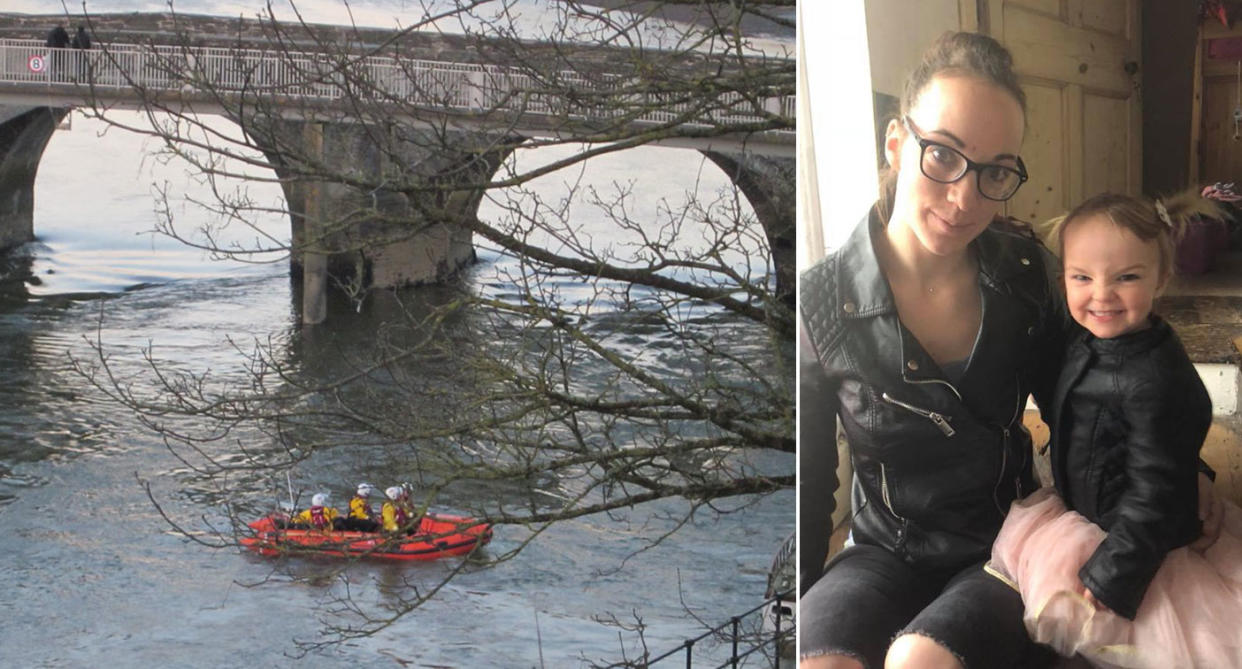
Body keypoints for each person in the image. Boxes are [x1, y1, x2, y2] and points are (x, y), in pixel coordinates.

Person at [798, 32, 1221, 669]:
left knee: (918, 661)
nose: (966, 197)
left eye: (995, 169)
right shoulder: (819, 302)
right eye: (943, 154)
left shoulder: (1024, 275)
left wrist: (1170, 480)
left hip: (1007, 541)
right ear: (895, 143)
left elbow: (1089, 399)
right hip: (884, 549)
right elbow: (805, 482)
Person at [986, 193, 1242, 666]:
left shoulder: (1155, 378)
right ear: (1063, 277)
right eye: (1082, 277)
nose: (1101, 295)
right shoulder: (1086, 340)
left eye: (1126, 277)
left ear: (1162, 278)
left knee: (1137, 641)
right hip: (1092, 510)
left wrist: (1113, 577)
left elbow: (1156, 493)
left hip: (1142, 545)